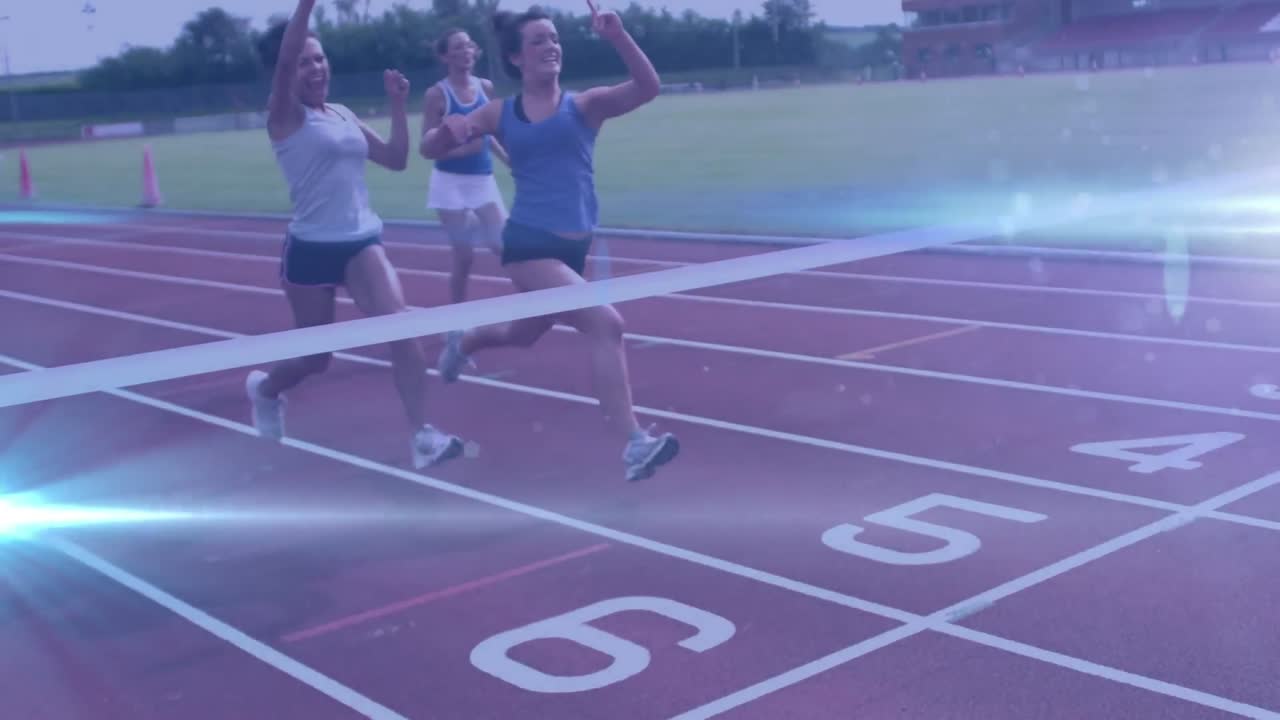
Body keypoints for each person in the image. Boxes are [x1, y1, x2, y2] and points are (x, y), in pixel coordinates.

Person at [421, 2, 679, 482]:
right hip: (527, 244)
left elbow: (648, 88)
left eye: (555, 38)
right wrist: (447, 133)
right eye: (538, 40)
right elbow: (430, 147)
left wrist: (617, 35)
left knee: (523, 333)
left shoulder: (585, 105)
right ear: (517, 58)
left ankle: (466, 342)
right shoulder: (500, 111)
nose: (550, 47)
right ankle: (633, 443)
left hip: (571, 250)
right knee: (606, 324)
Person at [245, 0, 464, 470]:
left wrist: (399, 105)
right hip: (309, 249)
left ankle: (422, 436)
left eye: (320, 58)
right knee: (315, 358)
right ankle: (265, 389)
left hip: (360, 240)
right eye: (305, 61)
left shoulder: (342, 113)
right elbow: (284, 60)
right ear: (286, 71)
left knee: (401, 328)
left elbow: (396, 158)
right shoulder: (284, 115)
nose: (316, 67)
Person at [421, 28, 511, 310]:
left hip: (481, 180)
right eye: (458, 47)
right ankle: (456, 325)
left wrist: (509, 160)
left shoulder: (485, 87)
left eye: (469, 45)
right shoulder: (437, 95)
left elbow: (490, 134)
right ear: (446, 56)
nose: (466, 51)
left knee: (506, 247)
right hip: (449, 183)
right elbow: (426, 148)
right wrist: (461, 148)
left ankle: (537, 308)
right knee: (464, 256)